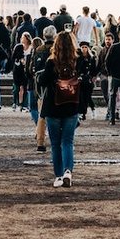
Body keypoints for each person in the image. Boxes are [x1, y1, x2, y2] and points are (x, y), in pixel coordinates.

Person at [37, 31, 81, 188]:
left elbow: (42, 81)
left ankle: (58, 175)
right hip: (71, 105)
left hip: (53, 106)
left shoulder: (51, 62)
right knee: (68, 141)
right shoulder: (77, 61)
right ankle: (68, 170)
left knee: (55, 143)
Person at [77, 41, 98, 120]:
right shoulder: (78, 58)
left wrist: (93, 77)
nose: (84, 49)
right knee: (81, 97)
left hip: (88, 80)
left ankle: (92, 109)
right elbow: (77, 69)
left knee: (87, 96)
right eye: (82, 47)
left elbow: (94, 69)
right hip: (80, 80)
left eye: (85, 47)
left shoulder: (91, 58)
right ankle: (82, 113)